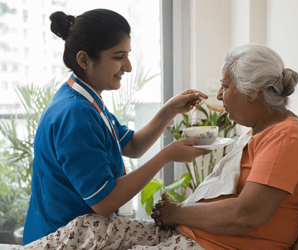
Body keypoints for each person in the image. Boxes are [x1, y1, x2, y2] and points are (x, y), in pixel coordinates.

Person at [23, 9, 210, 246]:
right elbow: (105, 202)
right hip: (65, 237)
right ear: (84, 60)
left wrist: (169, 110)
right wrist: (167, 155)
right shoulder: (75, 115)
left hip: (82, 229)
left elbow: (131, 145)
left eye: (128, 55)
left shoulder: (85, 99)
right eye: (119, 56)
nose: (129, 67)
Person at [151, 43, 298, 250]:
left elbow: (247, 214)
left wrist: (177, 212)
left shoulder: (286, 138)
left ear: (253, 92)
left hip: (209, 245)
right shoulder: (260, 132)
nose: (220, 95)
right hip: (190, 236)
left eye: (226, 86)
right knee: (102, 229)